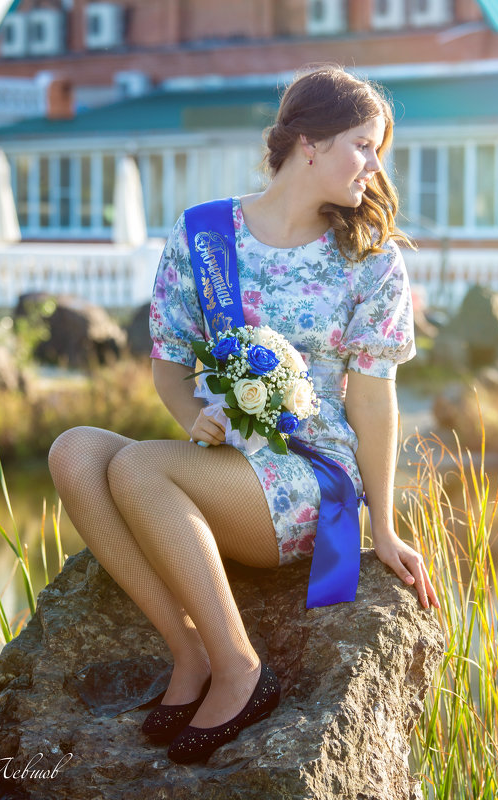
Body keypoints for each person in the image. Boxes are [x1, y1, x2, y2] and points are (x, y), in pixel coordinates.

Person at [47, 64, 440, 766]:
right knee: (74, 450)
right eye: (363, 145)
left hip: (312, 473)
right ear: (309, 144)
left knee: (137, 466)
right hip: (225, 461)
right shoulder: (205, 234)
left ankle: (241, 667)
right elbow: (169, 362)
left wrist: (384, 524)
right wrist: (193, 414)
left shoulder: (368, 260)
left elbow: (374, 397)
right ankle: (190, 652)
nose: (374, 168)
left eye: (379, 150)